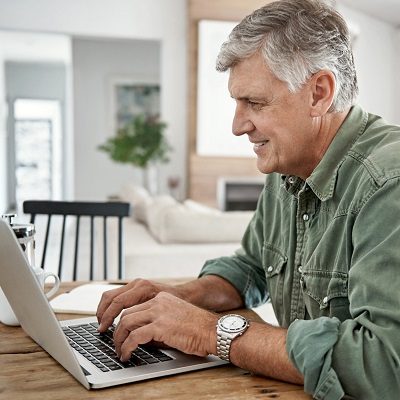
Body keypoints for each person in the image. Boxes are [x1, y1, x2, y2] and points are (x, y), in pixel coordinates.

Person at [96, 0, 400, 398]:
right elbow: (251, 267)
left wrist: (208, 332)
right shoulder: (289, 165)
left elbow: (381, 364)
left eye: (255, 103)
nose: (238, 126)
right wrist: (180, 297)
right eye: (237, 103)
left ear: (319, 93)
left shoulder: (387, 184)